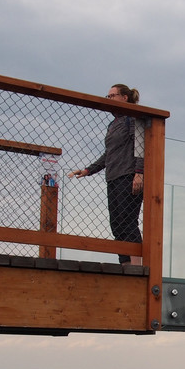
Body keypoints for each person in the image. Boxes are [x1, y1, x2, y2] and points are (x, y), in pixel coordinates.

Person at [67, 85, 144, 267]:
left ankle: (137, 267)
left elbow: (141, 146)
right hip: (113, 177)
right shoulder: (113, 124)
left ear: (124, 97)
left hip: (129, 175)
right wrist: (87, 170)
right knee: (116, 225)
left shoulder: (133, 118)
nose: (109, 99)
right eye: (107, 96)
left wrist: (139, 174)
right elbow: (108, 154)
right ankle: (124, 266)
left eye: (112, 96)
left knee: (128, 221)